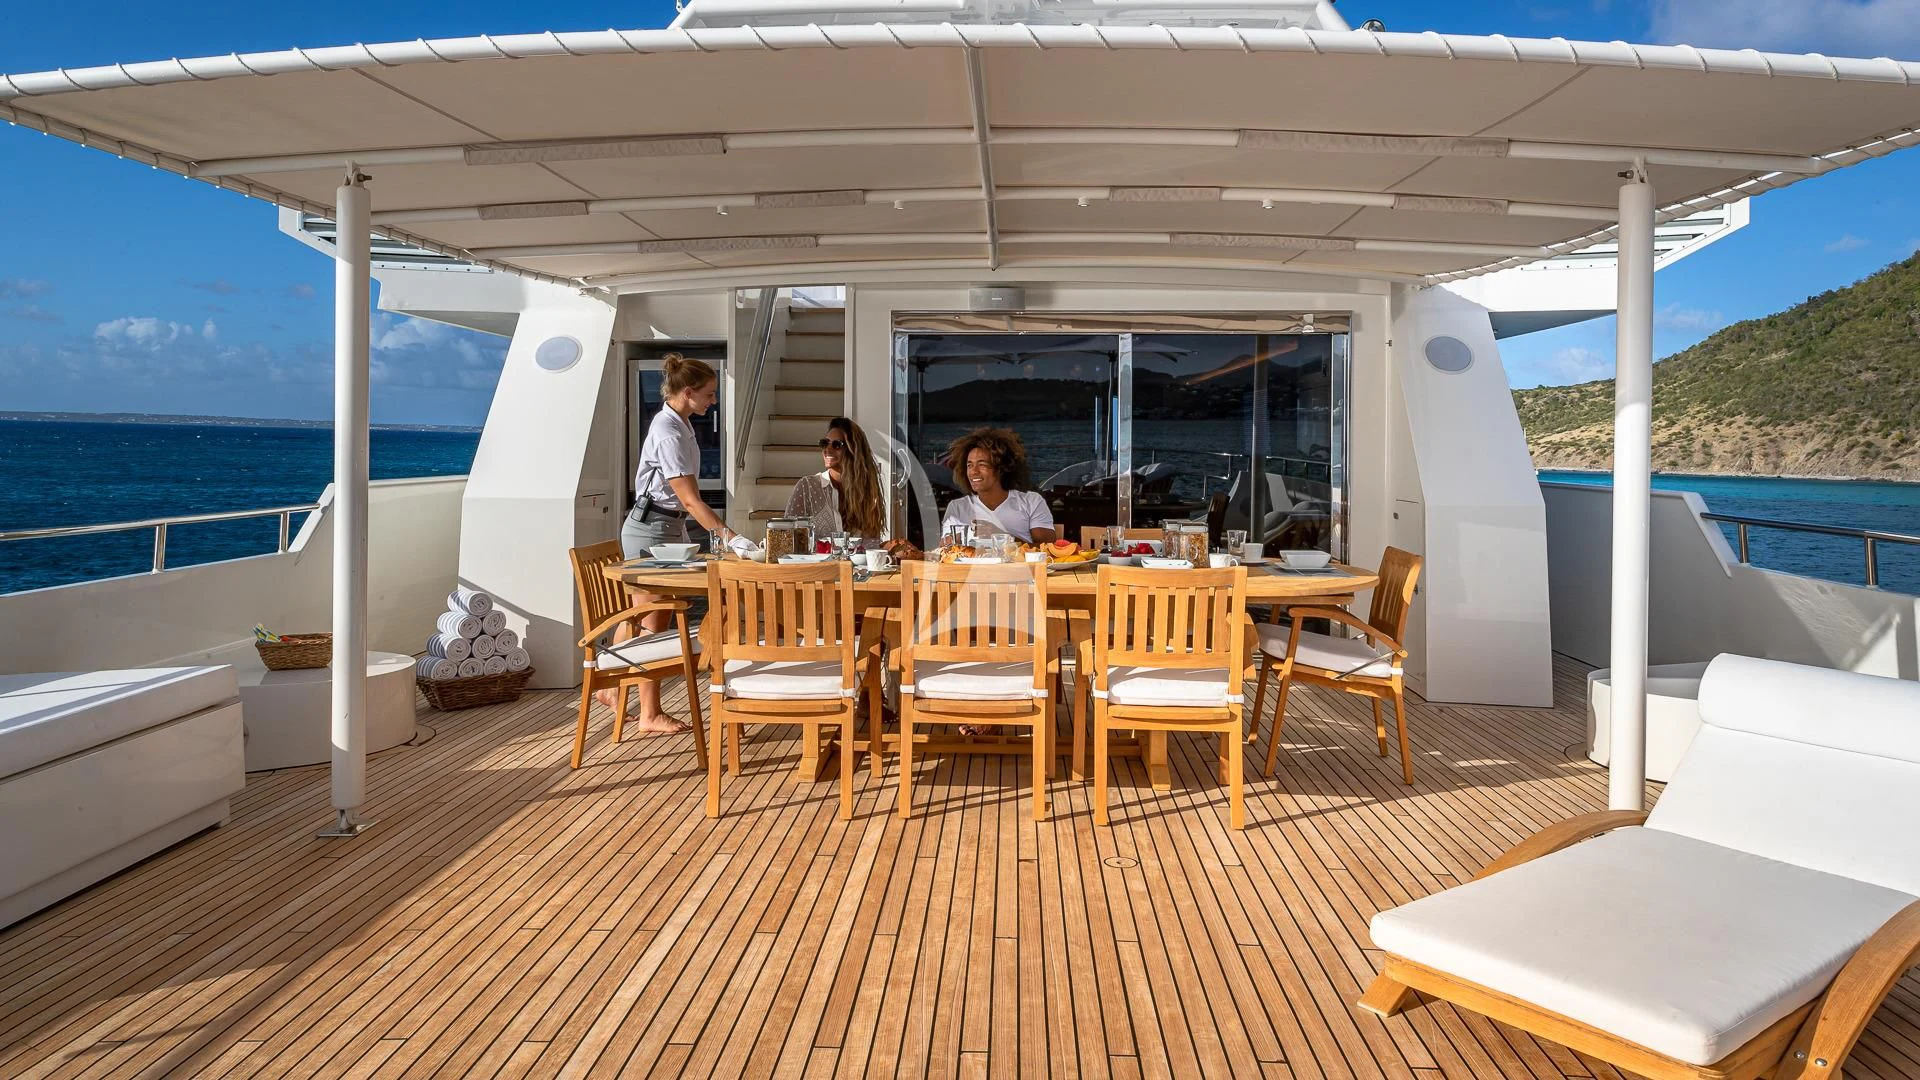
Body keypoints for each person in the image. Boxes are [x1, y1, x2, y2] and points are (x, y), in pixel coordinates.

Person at [613, 354, 734, 735]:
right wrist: (729, 536)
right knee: (652, 620)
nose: (713, 401)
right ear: (688, 392)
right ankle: (647, 713)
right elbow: (689, 499)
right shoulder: (669, 431)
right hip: (653, 529)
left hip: (663, 527)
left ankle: (613, 690)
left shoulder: (679, 423)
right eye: (709, 395)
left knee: (643, 616)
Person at [939, 427, 1058, 545]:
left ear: (1001, 468)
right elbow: (946, 551)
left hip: (1019, 565)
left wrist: (1002, 537)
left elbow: (1046, 549)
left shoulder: (1031, 502)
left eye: (982, 464)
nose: (974, 471)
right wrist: (947, 544)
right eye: (970, 465)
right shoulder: (957, 507)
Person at [785, 417, 886, 549]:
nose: (828, 449)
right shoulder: (808, 487)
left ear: (853, 450)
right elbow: (787, 535)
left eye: (837, 445)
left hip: (854, 568)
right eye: (825, 443)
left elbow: (870, 544)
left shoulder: (867, 491)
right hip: (815, 567)